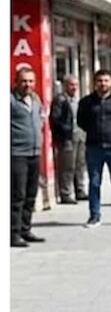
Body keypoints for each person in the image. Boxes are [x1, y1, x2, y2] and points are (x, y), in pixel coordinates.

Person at [77, 69, 111, 227]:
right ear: (94, 83)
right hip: (94, 147)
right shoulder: (86, 102)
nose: (103, 84)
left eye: (106, 80)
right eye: (100, 81)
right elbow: (81, 121)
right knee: (94, 182)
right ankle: (94, 216)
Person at [11, 67, 47, 247]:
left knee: (30, 195)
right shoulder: (10, 100)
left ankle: (25, 229)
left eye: (31, 81)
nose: (28, 84)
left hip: (34, 153)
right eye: (24, 81)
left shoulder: (35, 99)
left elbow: (41, 120)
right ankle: (13, 233)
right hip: (16, 154)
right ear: (16, 81)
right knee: (17, 195)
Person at [50, 75, 87, 204]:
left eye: (76, 85)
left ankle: (80, 190)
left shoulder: (77, 100)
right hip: (67, 138)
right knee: (67, 166)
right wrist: (65, 131)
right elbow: (55, 119)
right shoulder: (60, 100)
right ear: (65, 85)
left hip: (80, 135)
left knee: (80, 164)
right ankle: (65, 193)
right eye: (71, 85)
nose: (74, 87)